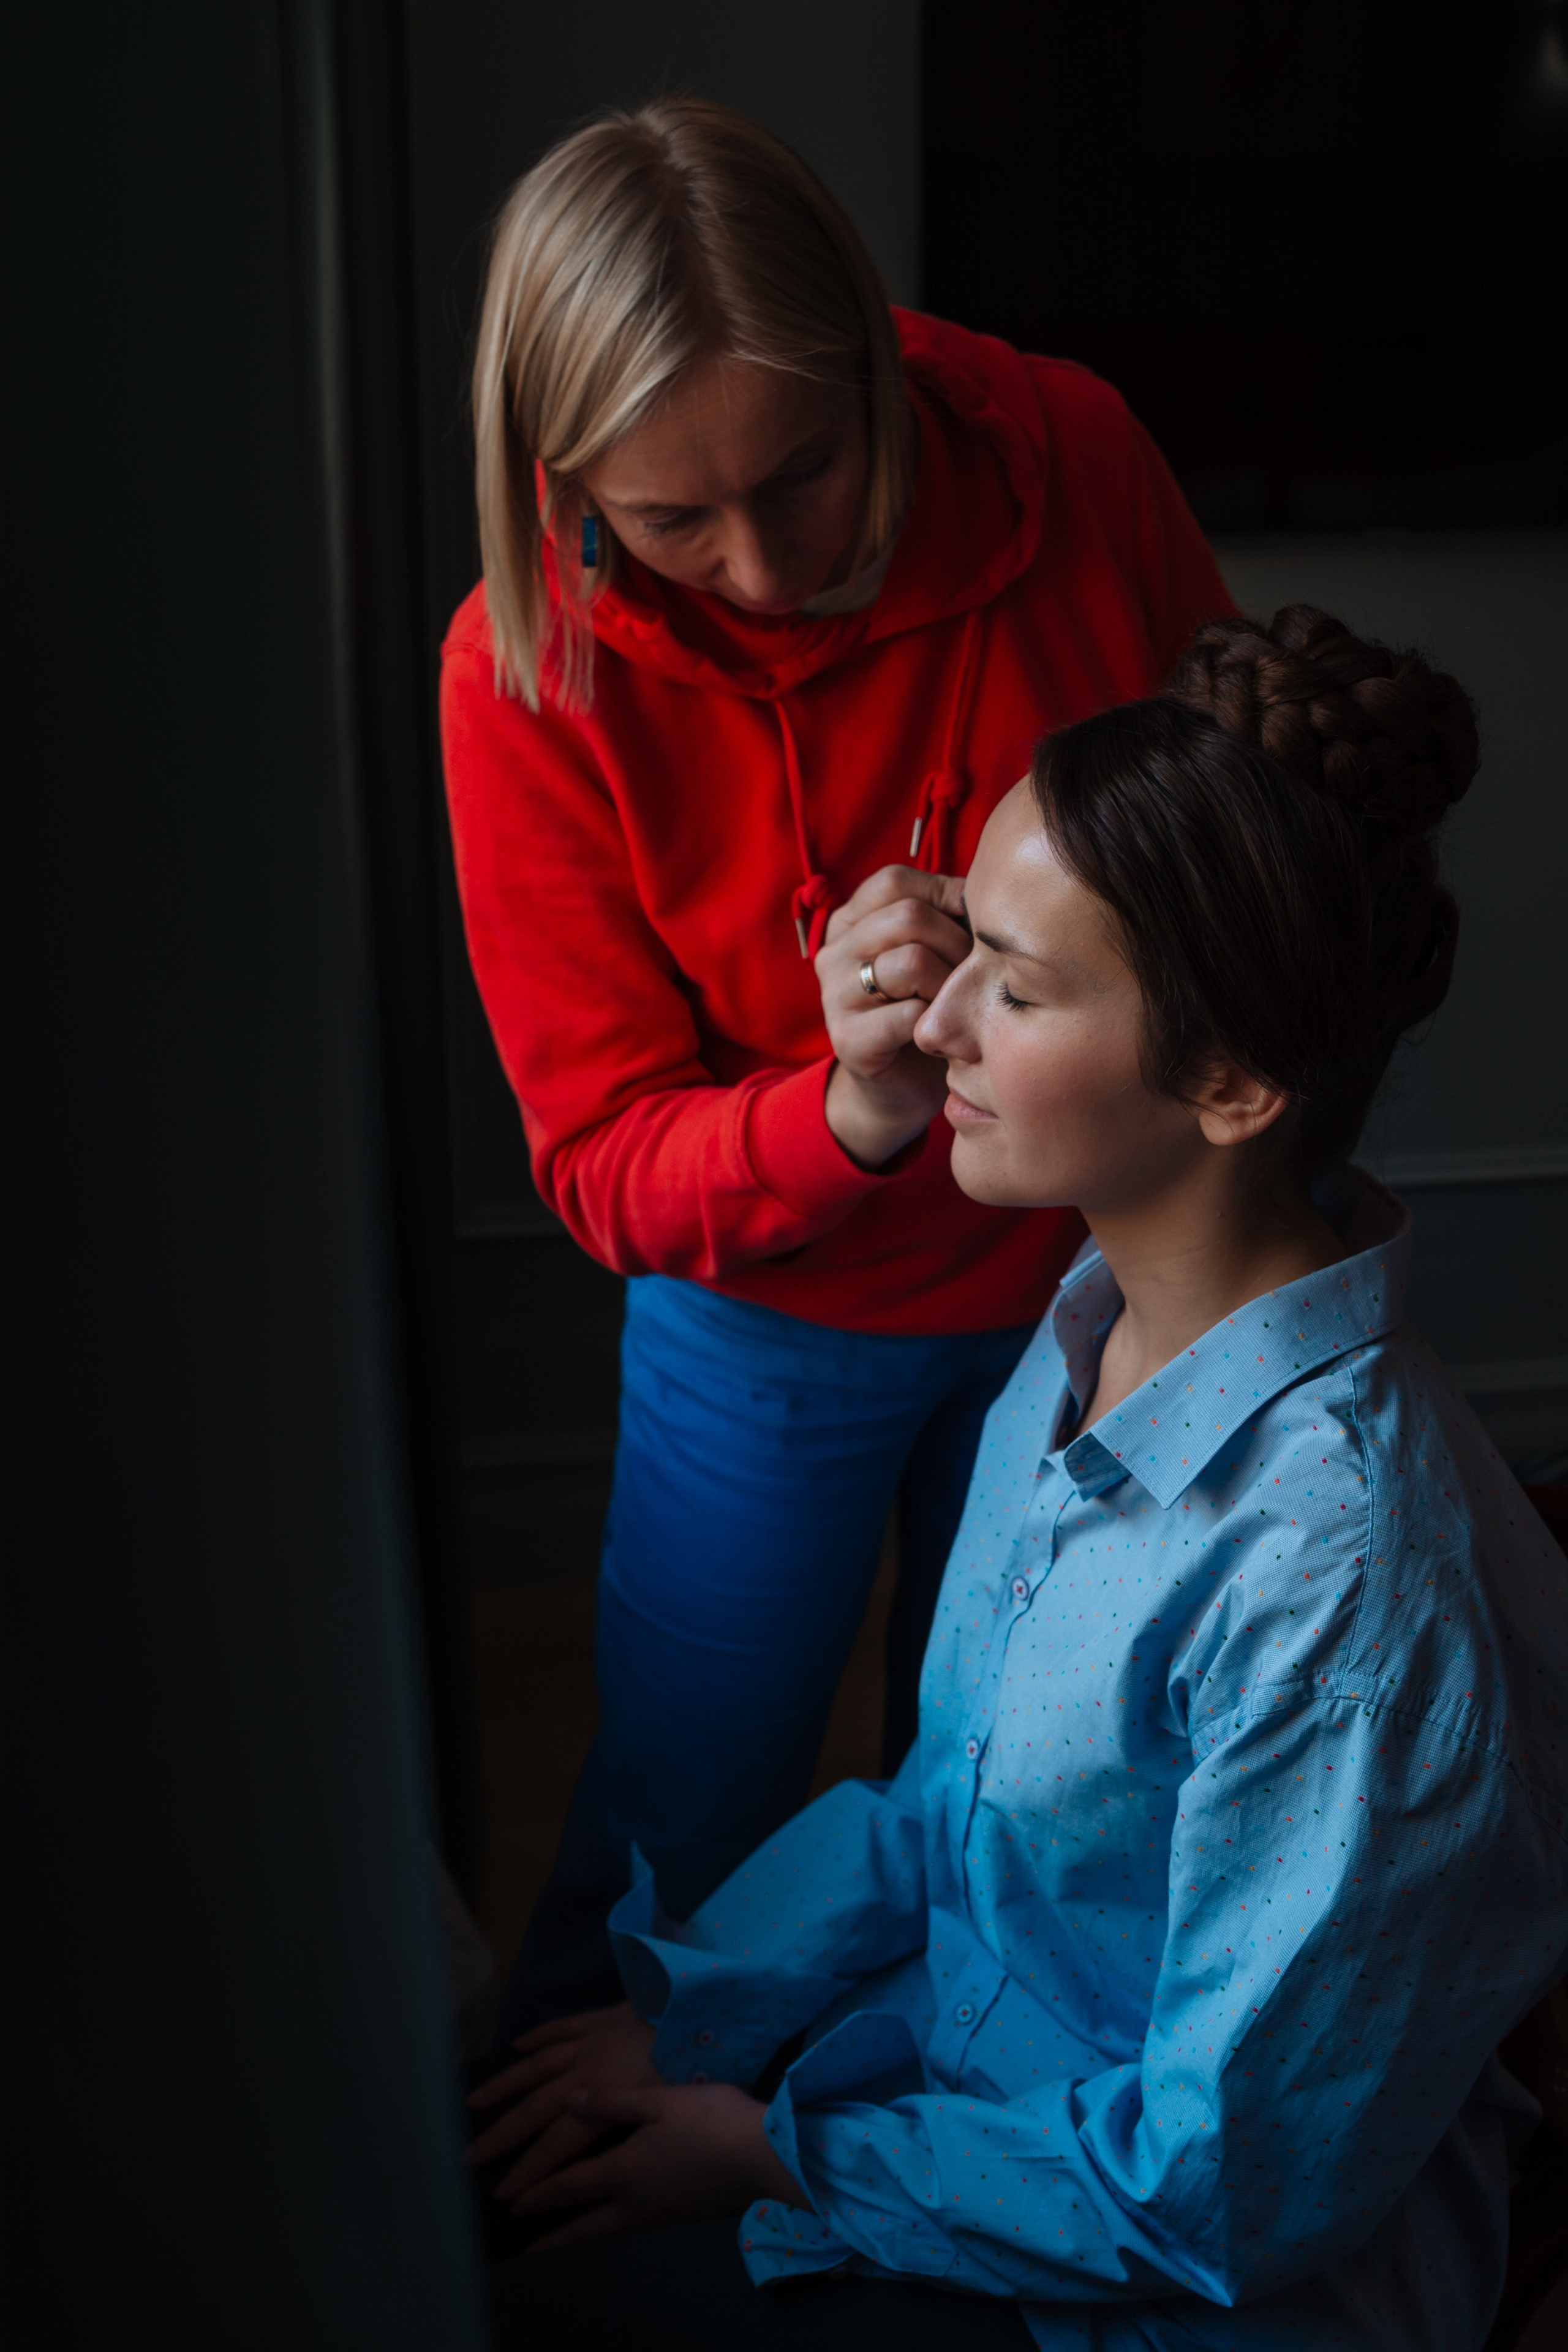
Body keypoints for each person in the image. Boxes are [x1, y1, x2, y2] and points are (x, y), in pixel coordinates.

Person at [470, 608, 1568, 2351]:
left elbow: (1224, 2188)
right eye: (963, 943)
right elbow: (948, 1820)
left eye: (1023, 984)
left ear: (1229, 1081)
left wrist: (772, 2152)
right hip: (971, 2105)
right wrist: (703, 2017)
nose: (938, 1023)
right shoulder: (1076, 1344)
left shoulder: (1346, 1586)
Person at [440, 97, 1232, 2030]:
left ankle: (901, 2180)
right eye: (670, 520)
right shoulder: (523, 669)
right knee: (684, 1815)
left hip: (1092, 1283)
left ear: (881, 369)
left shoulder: (1073, 447)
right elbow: (605, 1167)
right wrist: (853, 1106)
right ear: (559, 487)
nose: (768, 568)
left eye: (807, 473)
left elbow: (1238, 827)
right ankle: (565, 2215)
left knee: (1008, 1796)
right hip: (764, 1323)